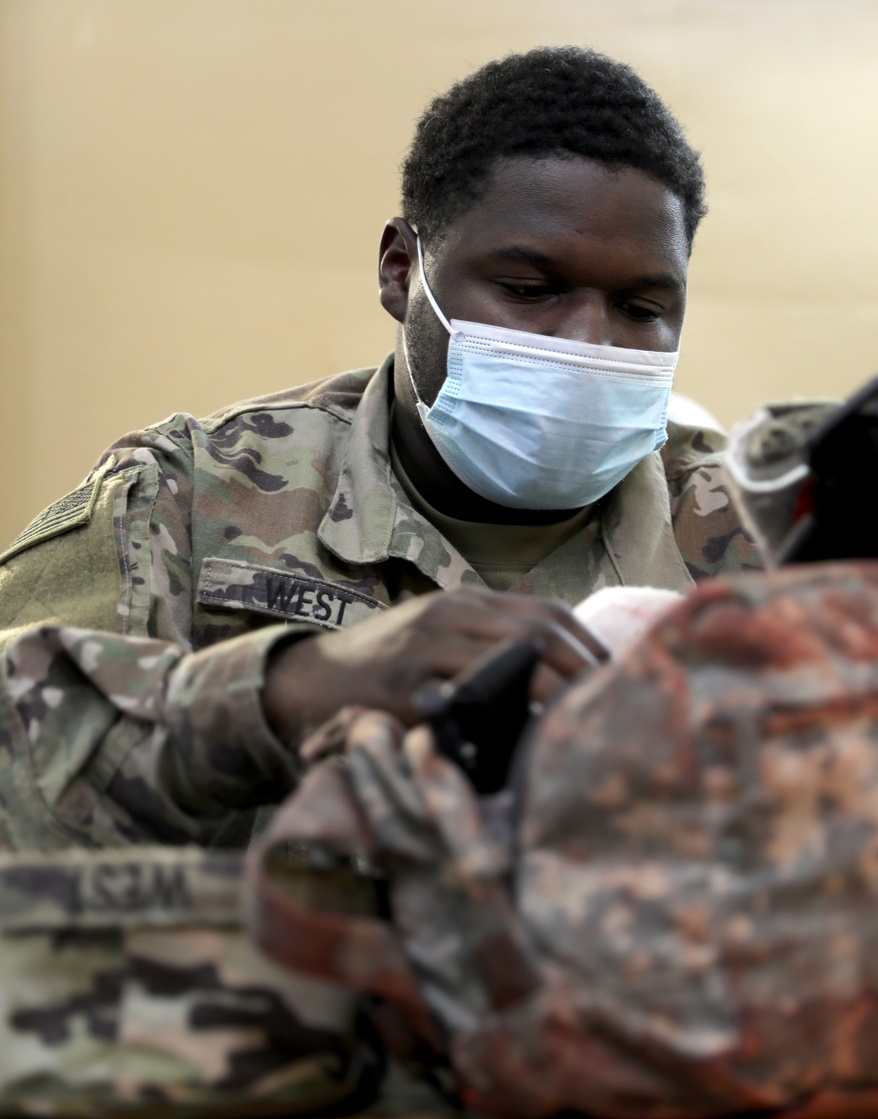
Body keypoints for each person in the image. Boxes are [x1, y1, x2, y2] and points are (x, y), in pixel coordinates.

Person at [0, 48, 762, 851]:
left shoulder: (758, 541)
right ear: (403, 271)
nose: (587, 344)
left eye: (642, 307)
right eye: (530, 291)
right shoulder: (184, 508)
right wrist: (285, 693)